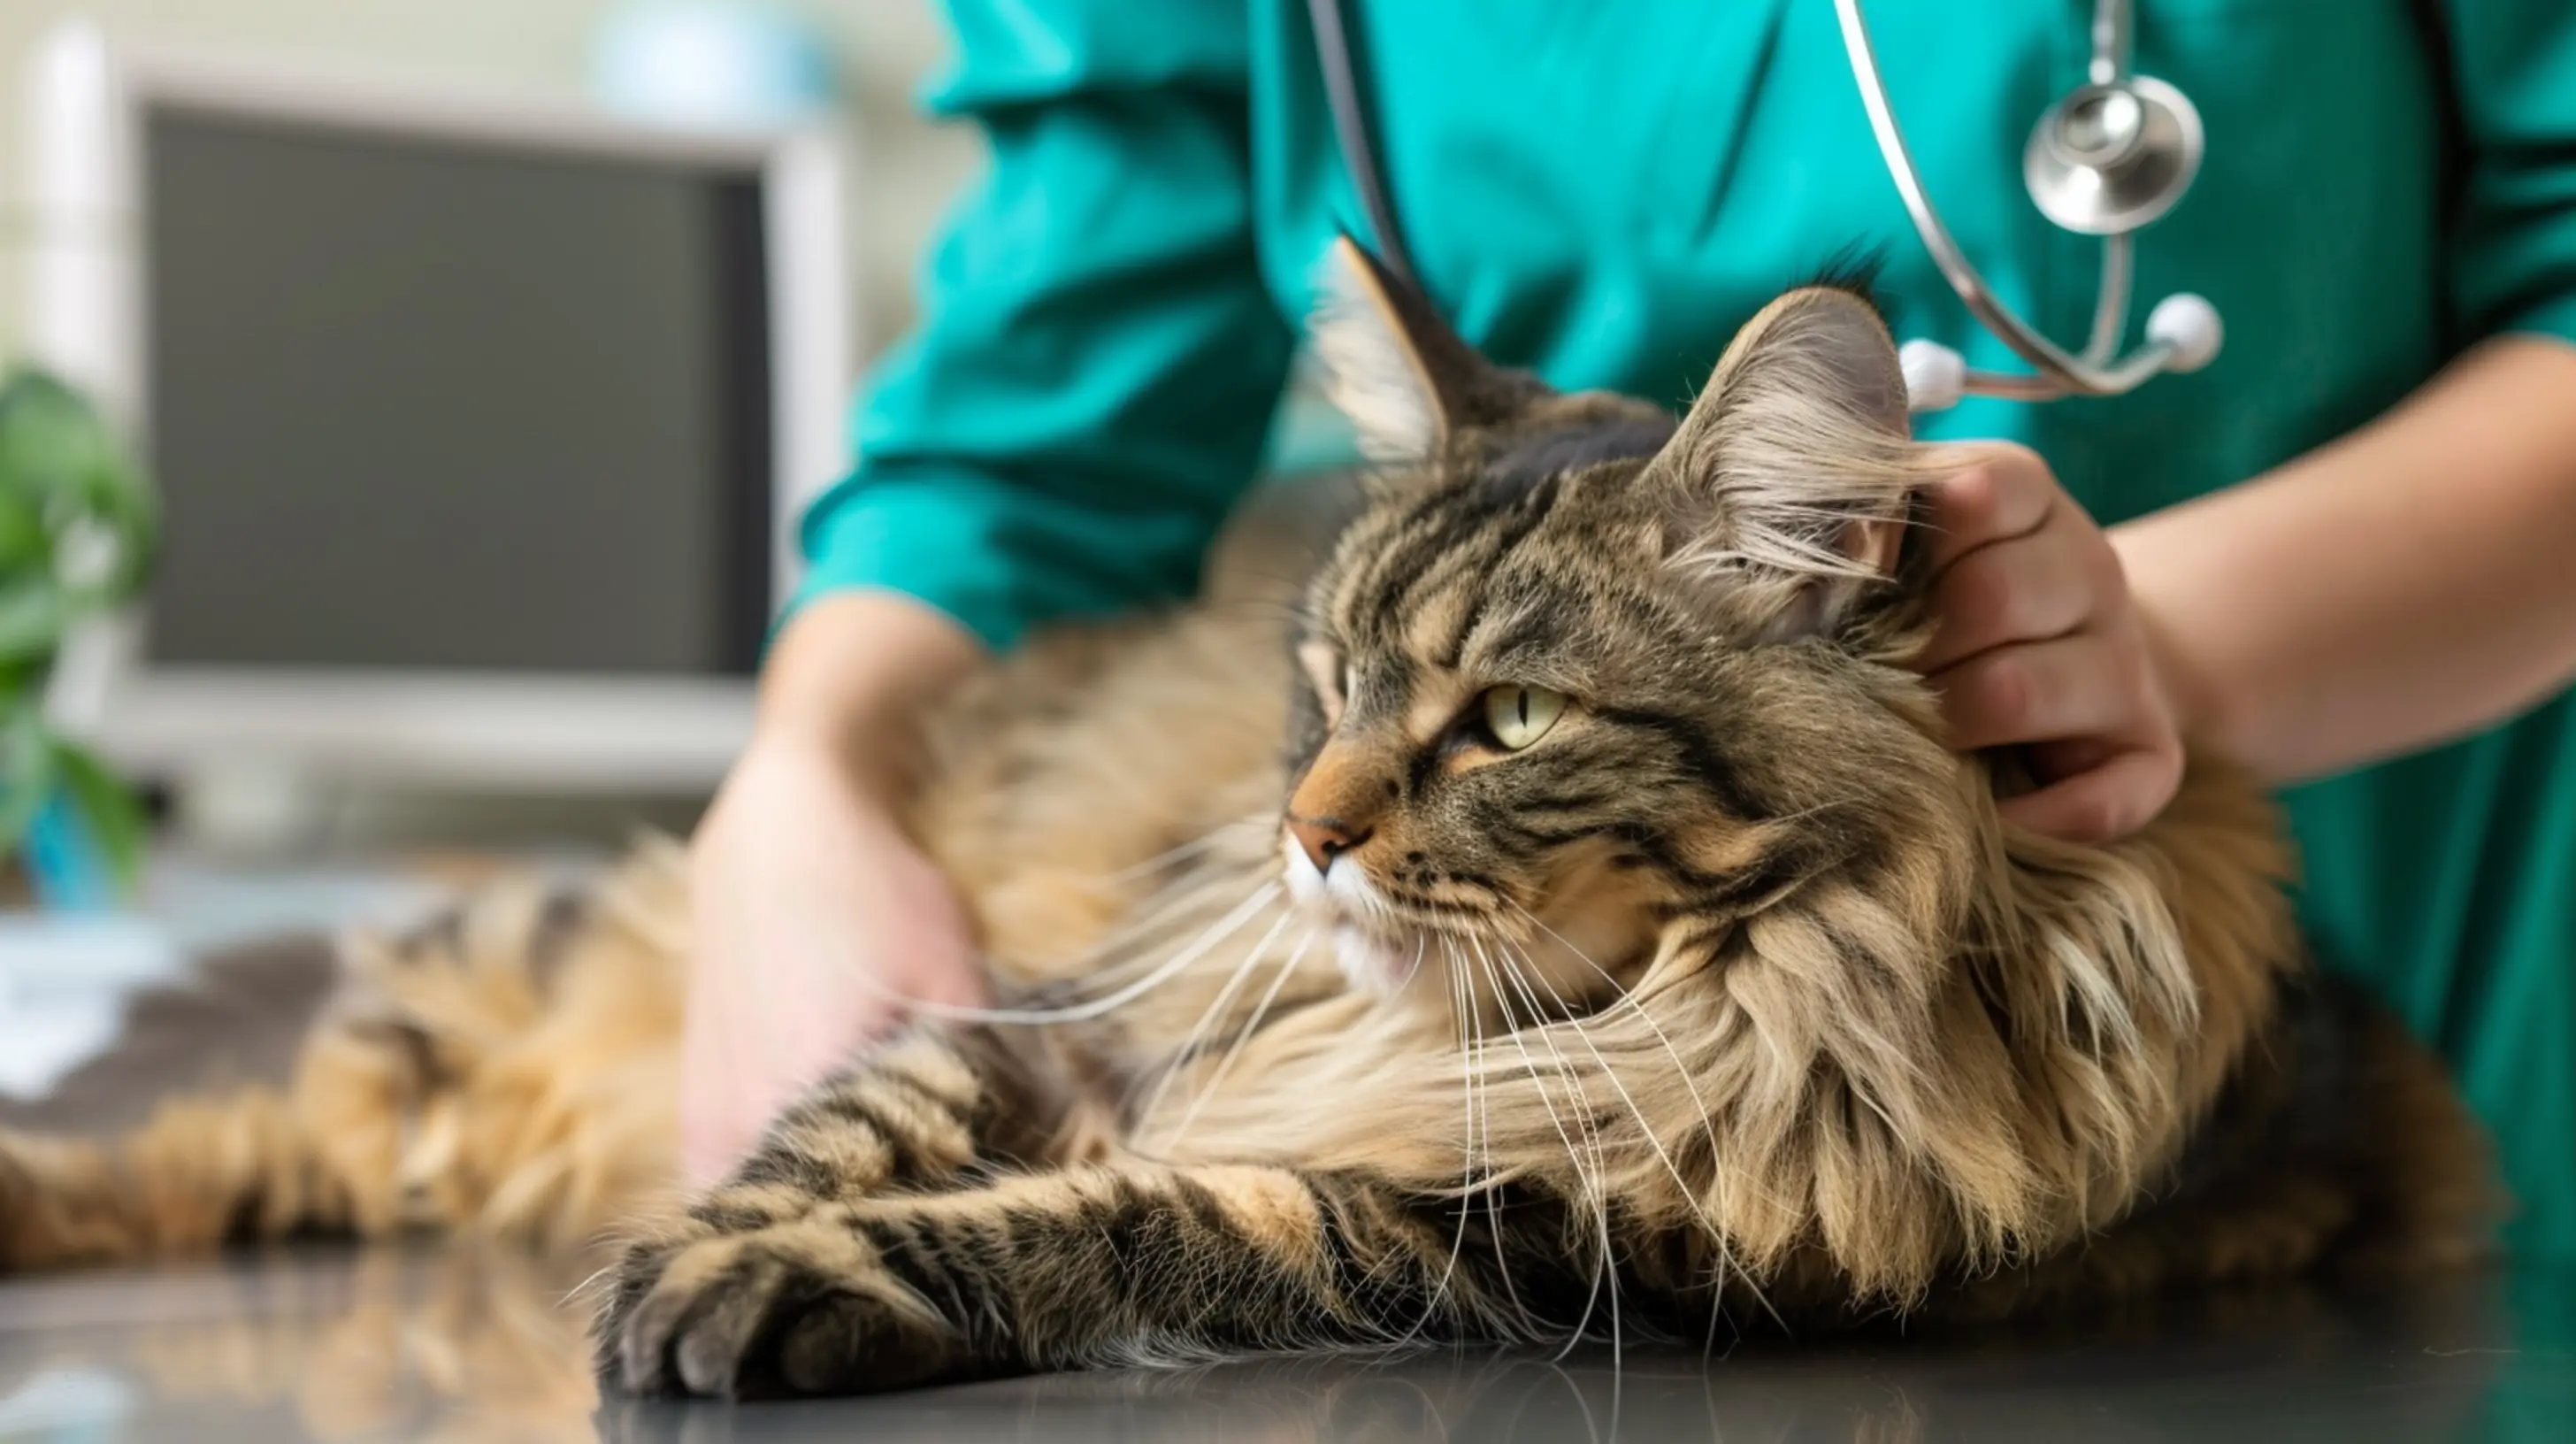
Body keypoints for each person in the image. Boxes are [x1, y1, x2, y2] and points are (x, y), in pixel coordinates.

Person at [684, 1, 2576, 1260]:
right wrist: (804, 780)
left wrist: (2138, 650)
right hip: (1486, 988)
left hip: (2336, 963)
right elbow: (1038, 412)